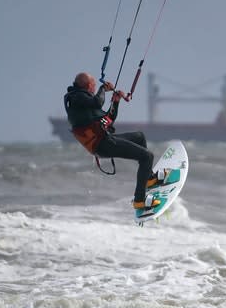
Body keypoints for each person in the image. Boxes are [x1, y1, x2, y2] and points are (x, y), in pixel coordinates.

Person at [64, 72, 166, 212]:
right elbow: (97, 101)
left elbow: (108, 119)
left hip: (105, 139)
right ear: (89, 86)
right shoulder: (77, 98)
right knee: (147, 156)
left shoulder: (84, 102)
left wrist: (115, 102)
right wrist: (103, 89)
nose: (95, 89)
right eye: (94, 86)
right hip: (102, 144)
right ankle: (139, 201)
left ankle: (149, 178)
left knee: (139, 136)